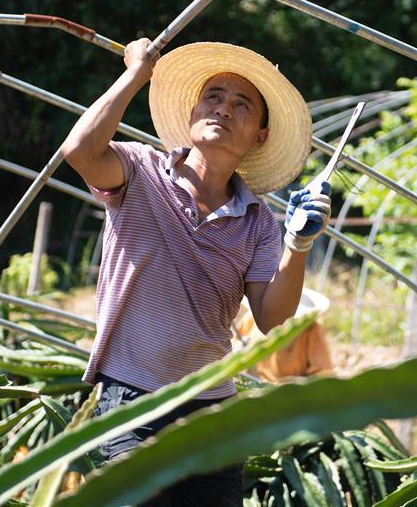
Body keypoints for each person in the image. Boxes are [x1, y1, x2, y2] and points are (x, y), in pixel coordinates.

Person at [62, 38, 331, 506]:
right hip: (131, 400)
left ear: (259, 136)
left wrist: (298, 244)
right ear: (192, 113)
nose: (223, 109)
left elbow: (273, 319)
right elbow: (80, 151)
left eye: (242, 105)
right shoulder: (139, 171)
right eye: (214, 97)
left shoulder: (258, 223)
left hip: (212, 412)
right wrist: (136, 74)